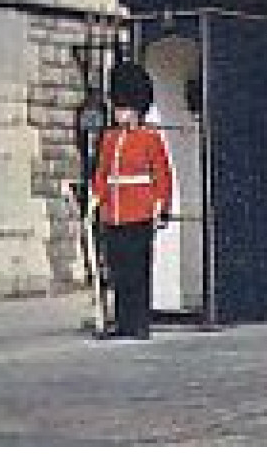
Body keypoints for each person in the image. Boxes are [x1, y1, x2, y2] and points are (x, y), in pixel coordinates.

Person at [90, 59, 173, 341]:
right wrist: (96, 199)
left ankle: (140, 322)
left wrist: (161, 206)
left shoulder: (150, 138)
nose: (118, 112)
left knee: (138, 269)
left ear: (135, 109)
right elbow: (102, 172)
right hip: (113, 212)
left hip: (139, 210)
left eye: (122, 107)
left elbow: (162, 173)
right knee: (118, 268)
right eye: (117, 106)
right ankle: (123, 321)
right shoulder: (110, 138)